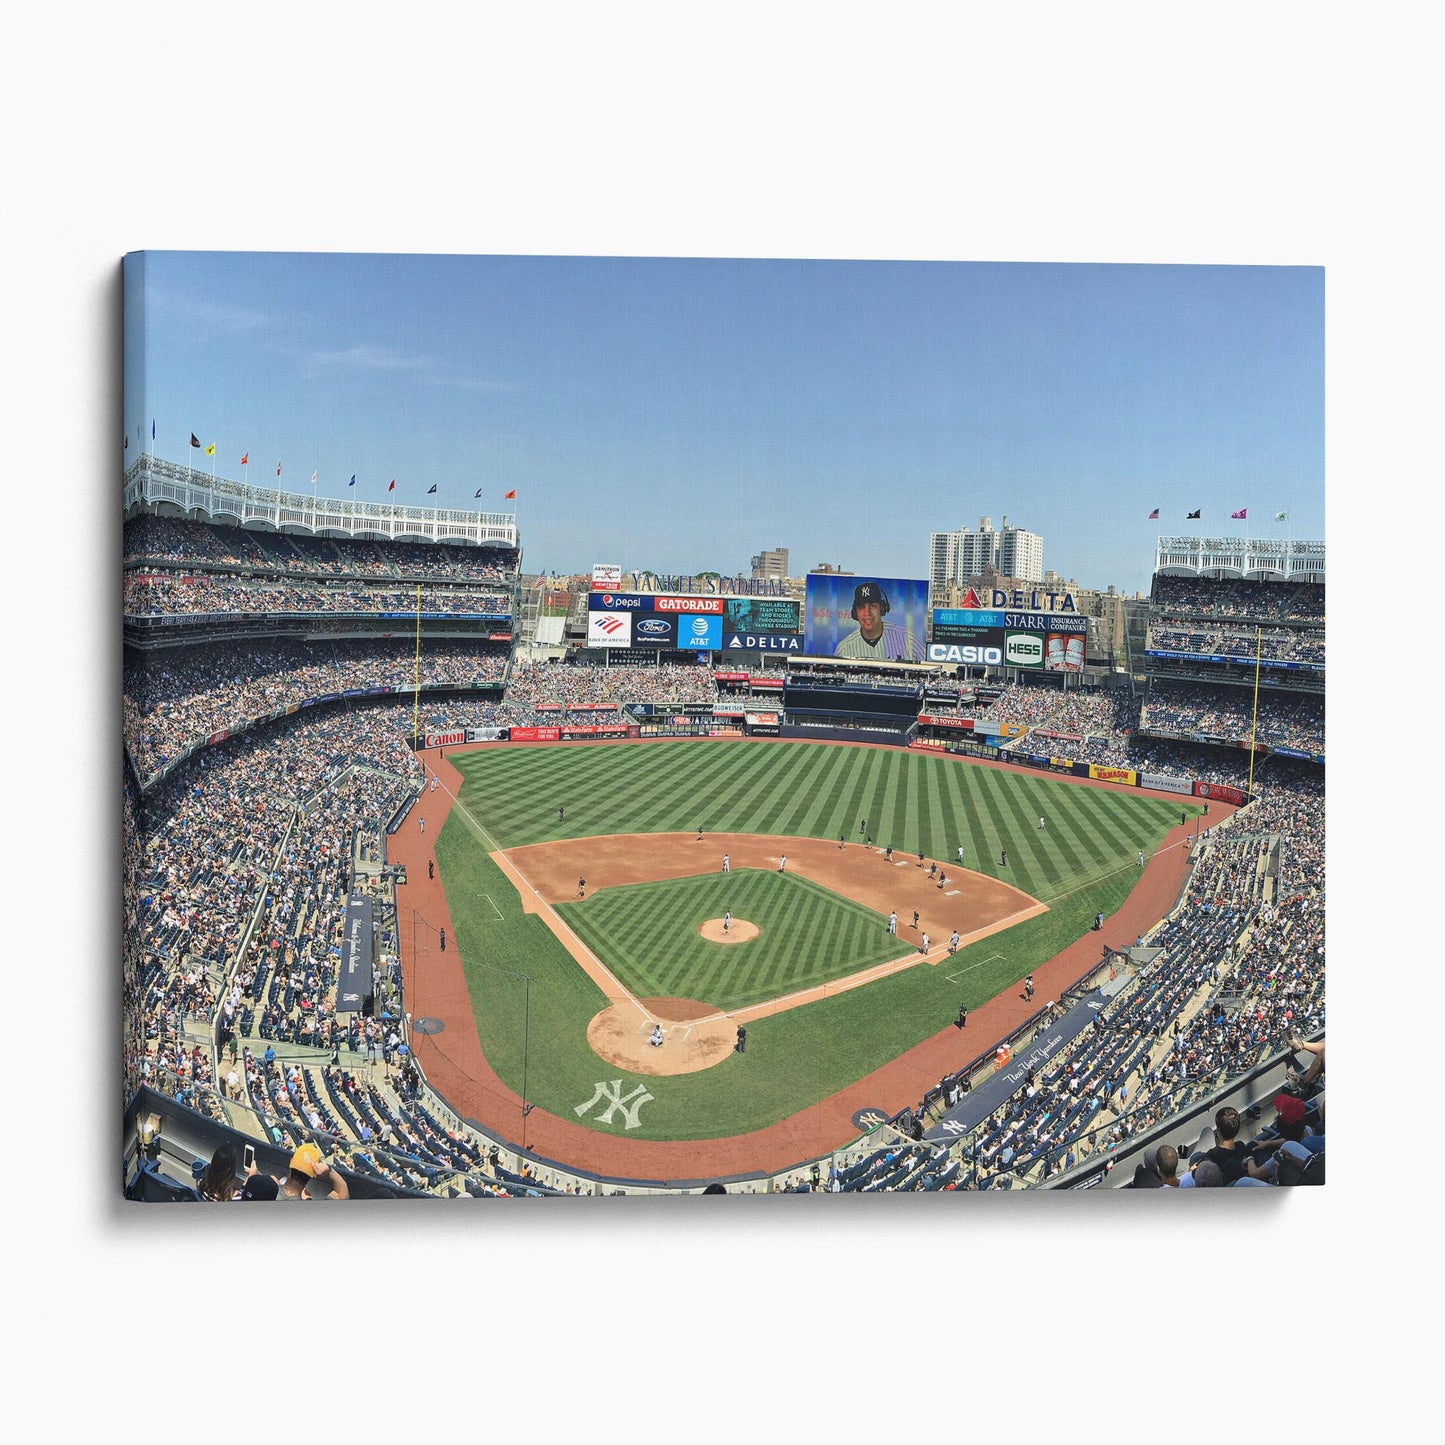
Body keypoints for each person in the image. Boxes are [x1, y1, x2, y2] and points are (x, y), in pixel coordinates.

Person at [833, 581, 921, 661]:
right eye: (861, 607)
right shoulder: (844, 648)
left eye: (872, 606)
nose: (867, 612)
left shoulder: (908, 639)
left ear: (882, 608)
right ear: (855, 613)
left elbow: (931, 666)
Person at [272, 1142, 349, 1201]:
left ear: (291, 1161)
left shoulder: (266, 1186)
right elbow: (341, 1194)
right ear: (314, 1173)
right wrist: (329, 1171)